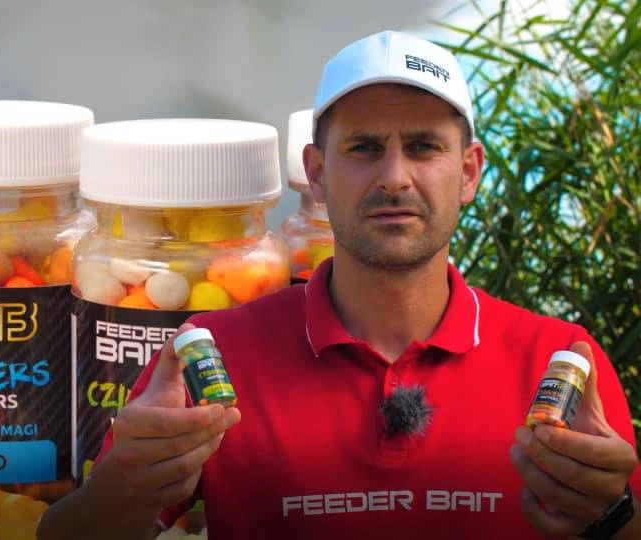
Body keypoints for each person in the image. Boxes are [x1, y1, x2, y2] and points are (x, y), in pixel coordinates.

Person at [37, 30, 640, 539]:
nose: (395, 177)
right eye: (365, 148)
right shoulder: (211, 355)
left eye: (423, 146)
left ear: (468, 172)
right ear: (318, 174)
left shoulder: (561, 363)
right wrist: (127, 482)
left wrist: (614, 518)